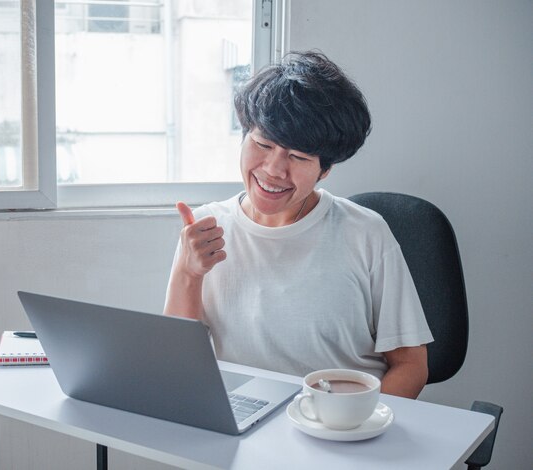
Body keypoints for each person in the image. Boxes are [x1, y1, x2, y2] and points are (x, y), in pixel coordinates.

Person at [164, 51, 433, 399]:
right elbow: (178, 365)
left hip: (343, 428)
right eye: (262, 144)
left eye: (299, 157)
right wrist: (189, 272)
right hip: (246, 424)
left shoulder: (366, 233)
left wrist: (352, 424)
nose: (273, 169)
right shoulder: (204, 229)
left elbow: (412, 366)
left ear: (326, 169)